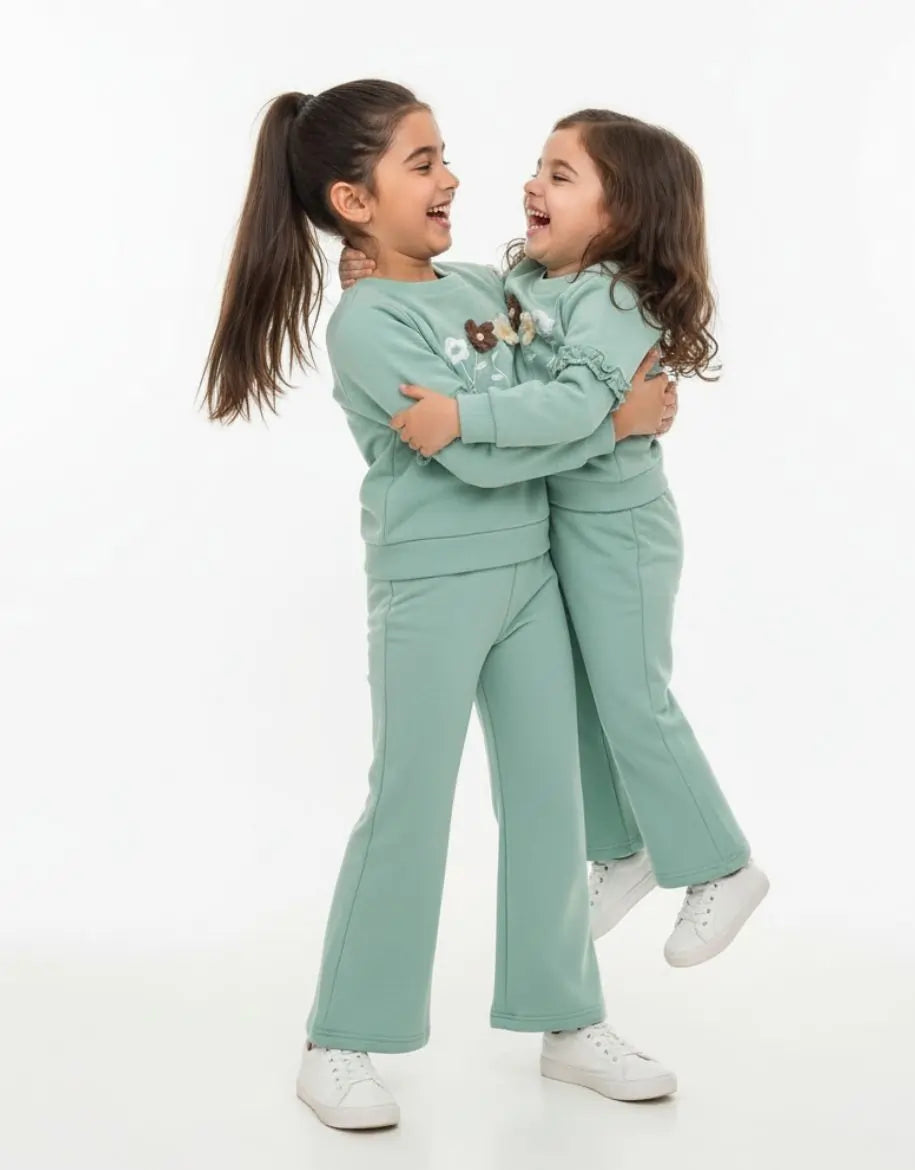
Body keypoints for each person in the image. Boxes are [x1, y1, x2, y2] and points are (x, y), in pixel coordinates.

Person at [202, 80, 680, 1132]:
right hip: (431, 587)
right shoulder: (365, 326)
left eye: (444, 154)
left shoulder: (481, 284)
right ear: (352, 201)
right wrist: (615, 421)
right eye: (422, 162)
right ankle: (338, 1041)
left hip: (531, 577)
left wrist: (599, 394)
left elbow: (547, 373)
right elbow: (477, 449)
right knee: (410, 809)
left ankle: (566, 1020)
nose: (452, 176)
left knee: (549, 805)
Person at [341, 108, 769, 972]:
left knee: (631, 699)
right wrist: (377, 273)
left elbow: (574, 409)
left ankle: (722, 864)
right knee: (578, 700)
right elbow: (467, 303)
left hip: (619, 531)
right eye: (538, 168)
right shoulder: (531, 284)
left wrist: (465, 413)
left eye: (561, 176)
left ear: (621, 218)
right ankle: (621, 849)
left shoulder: (613, 299)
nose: (531, 185)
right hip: (557, 528)